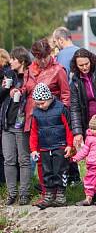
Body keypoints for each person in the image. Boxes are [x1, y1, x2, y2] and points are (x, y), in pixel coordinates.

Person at [17, 38, 70, 194]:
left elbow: (66, 95)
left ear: (49, 54)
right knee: (39, 156)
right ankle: (45, 192)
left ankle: (58, 191)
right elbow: (26, 90)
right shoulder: (29, 70)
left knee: (53, 158)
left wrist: (62, 116)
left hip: (53, 118)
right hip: (33, 116)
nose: (40, 61)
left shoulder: (58, 70)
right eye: (37, 57)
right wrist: (17, 91)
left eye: (43, 57)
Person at [29, 83, 73, 209]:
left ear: (49, 98)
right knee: (46, 171)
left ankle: (60, 195)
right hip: (44, 147)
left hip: (60, 146)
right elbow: (33, 132)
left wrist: (69, 145)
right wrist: (33, 149)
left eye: (42, 103)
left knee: (60, 170)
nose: (40, 106)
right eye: (37, 103)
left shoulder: (61, 108)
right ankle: (48, 194)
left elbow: (68, 128)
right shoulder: (36, 113)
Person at [1, 47, 32, 205]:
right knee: (9, 160)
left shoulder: (30, 76)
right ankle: (12, 193)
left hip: (22, 124)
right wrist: (6, 87)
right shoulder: (9, 75)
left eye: (13, 58)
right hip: (7, 124)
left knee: (24, 160)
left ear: (22, 60)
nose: (10, 61)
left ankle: (24, 193)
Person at [68, 49, 96, 157]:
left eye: (87, 64)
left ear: (91, 61)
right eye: (81, 65)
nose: (85, 67)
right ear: (76, 66)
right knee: (93, 156)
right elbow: (74, 108)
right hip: (89, 124)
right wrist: (77, 132)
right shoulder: (75, 83)